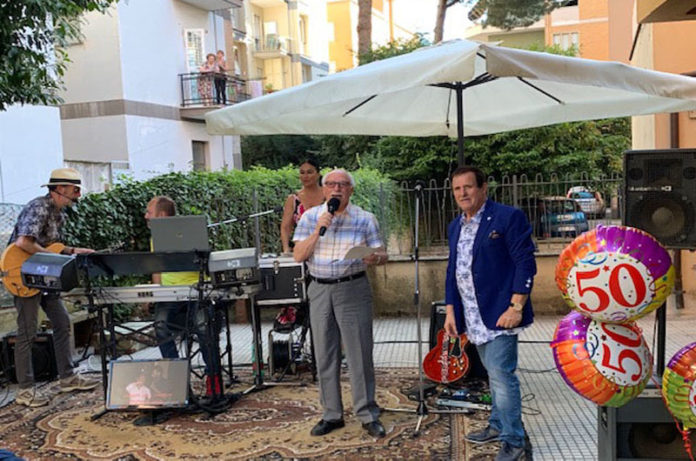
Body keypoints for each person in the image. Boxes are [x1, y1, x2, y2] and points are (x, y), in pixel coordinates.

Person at [443, 166, 536, 461]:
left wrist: (516, 306)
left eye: (468, 187)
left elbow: (525, 263)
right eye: (457, 189)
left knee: (501, 375)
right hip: (473, 314)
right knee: (492, 375)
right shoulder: (456, 226)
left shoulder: (508, 217)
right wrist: (450, 311)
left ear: (483, 188)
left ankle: (514, 441)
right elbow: (453, 270)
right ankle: (497, 425)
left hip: (501, 312)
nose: (463, 193)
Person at [293, 169, 388, 438]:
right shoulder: (311, 217)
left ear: (351, 190)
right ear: (324, 189)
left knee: (359, 353)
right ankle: (331, 414)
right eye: (331, 184)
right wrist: (318, 230)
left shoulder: (365, 219)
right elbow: (298, 255)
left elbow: (383, 254)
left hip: (353, 287)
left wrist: (375, 258)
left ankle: (367, 413)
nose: (337, 189)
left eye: (343, 185)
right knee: (325, 353)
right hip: (319, 289)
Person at [8, 168, 99, 407]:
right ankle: (25, 390)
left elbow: (52, 246)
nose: (78, 195)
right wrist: (51, 259)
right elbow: (24, 242)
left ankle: (67, 377)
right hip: (23, 274)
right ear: (60, 189)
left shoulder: (59, 215)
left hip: (42, 273)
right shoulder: (38, 207)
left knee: (62, 322)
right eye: (74, 190)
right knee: (27, 331)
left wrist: (73, 251)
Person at [144, 196, 221, 396]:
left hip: (197, 291)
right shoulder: (155, 239)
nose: (146, 216)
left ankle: (214, 379)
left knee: (204, 329)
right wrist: (156, 293)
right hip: (169, 295)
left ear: (161, 215)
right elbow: (156, 268)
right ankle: (176, 378)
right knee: (161, 329)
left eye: (149, 212)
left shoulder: (190, 232)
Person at [280, 158, 324, 254]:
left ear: (318, 174)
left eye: (309, 172)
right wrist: (286, 249)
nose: (305, 176)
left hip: (327, 249)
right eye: (302, 173)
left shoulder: (328, 196)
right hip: (302, 250)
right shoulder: (293, 199)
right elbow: (285, 227)